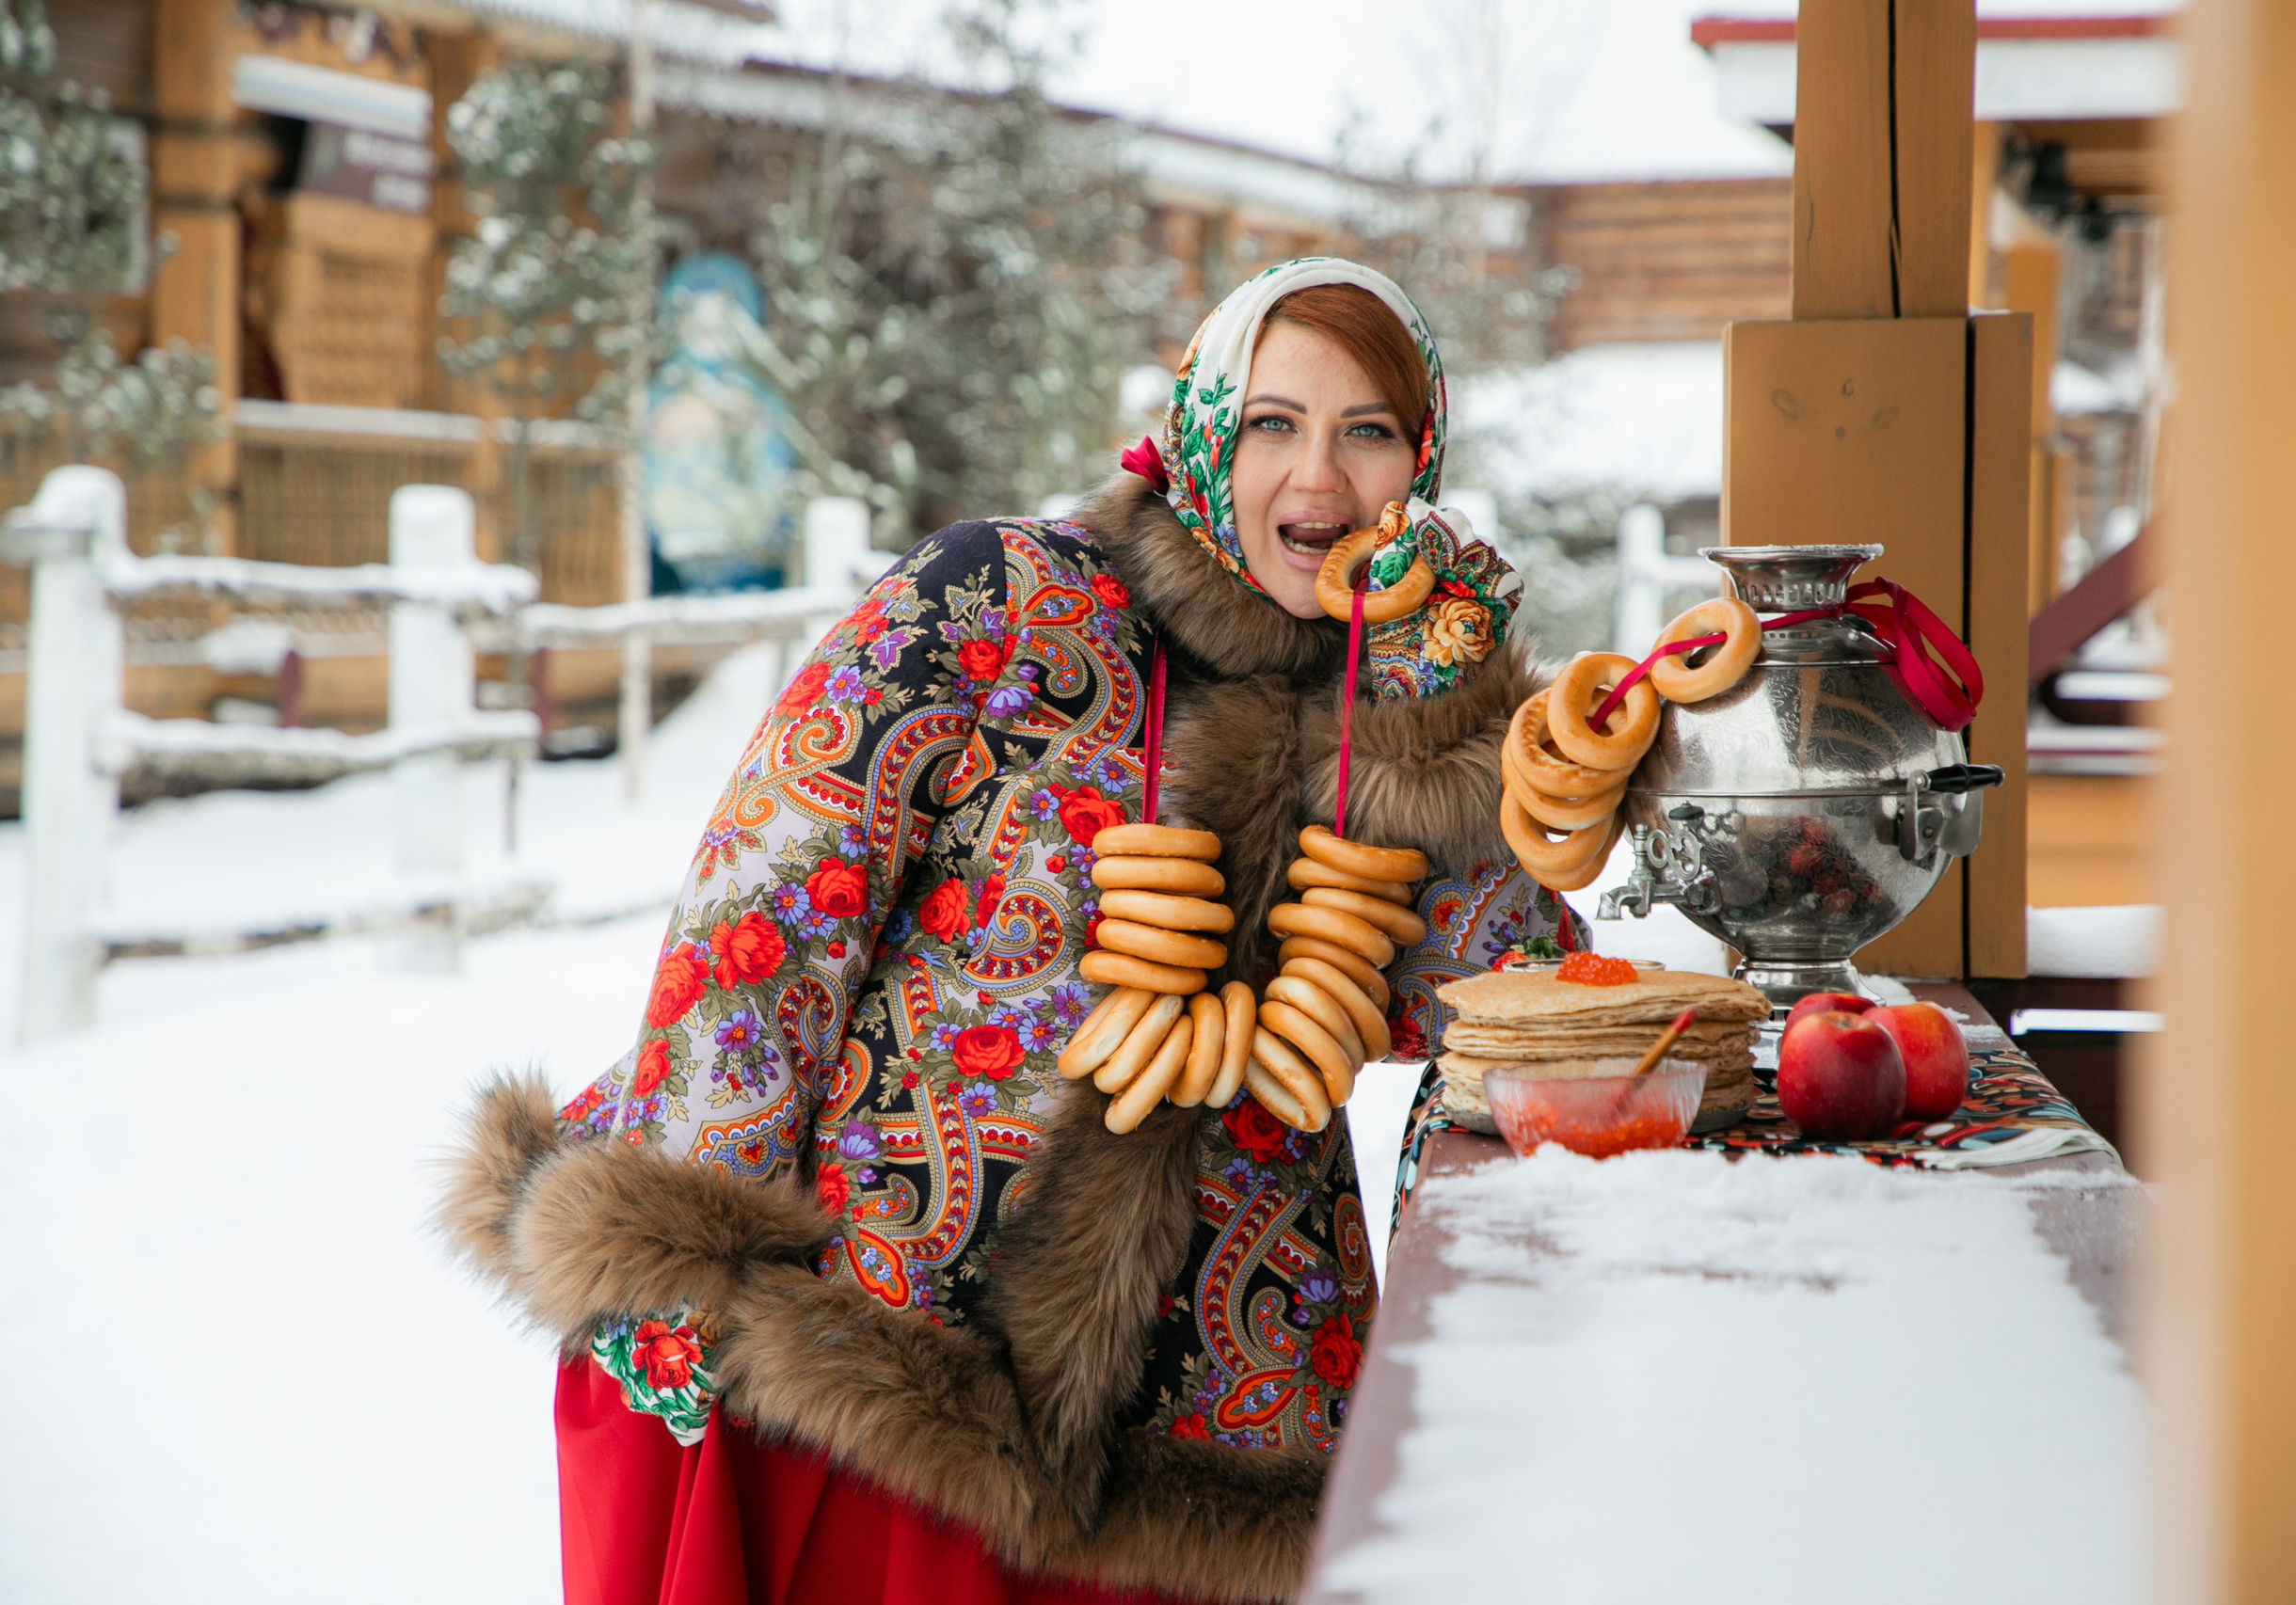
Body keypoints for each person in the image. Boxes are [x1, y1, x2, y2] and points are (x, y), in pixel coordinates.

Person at [442, 258, 1585, 1605]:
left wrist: (1444, 716)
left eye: (1369, 431)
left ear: (1423, 461)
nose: (1320, 479)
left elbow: (1525, 999)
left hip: (1206, 1448)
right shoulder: (1004, 594)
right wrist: (693, 1221)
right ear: (1205, 429)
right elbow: (779, 887)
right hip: (892, 1378)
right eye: (1275, 422)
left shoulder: (1397, 704)